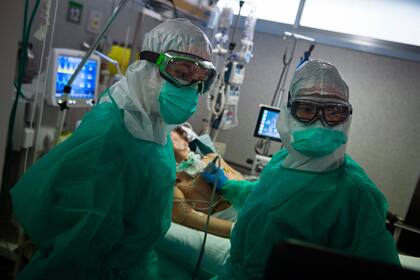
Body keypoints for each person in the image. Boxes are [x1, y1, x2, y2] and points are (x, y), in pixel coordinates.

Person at [11, 19, 215, 280]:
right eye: (183, 73)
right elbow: (79, 245)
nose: (190, 89)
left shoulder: (156, 129)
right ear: (149, 66)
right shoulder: (113, 135)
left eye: (200, 80)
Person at [203, 59, 400, 279]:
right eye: (307, 109)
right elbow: (266, 197)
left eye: (334, 112)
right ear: (288, 112)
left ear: (347, 117)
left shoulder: (357, 195)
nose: (319, 123)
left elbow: (380, 269)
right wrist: (227, 185)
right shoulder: (283, 160)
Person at [170, 127, 243, 238]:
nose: (168, 141)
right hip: (231, 221)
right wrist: (235, 230)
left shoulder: (212, 157)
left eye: (172, 138)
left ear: (185, 142)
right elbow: (185, 216)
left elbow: (241, 178)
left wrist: (228, 184)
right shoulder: (173, 181)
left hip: (251, 206)